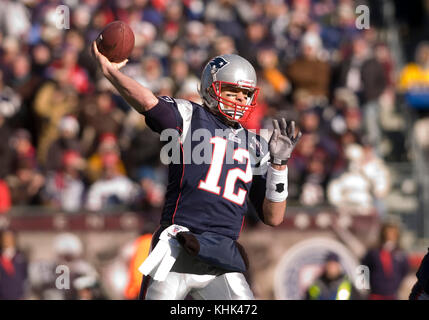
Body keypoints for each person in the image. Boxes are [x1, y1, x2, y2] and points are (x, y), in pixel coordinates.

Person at [92, 41, 302, 300]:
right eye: (232, 90)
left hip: (221, 255)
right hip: (177, 246)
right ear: (210, 89)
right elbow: (147, 102)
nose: (240, 98)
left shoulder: (258, 144)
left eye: (245, 94)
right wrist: (112, 73)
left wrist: (279, 166)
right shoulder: (191, 116)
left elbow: (273, 217)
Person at [361, 221, 409, 299]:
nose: (389, 235)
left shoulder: (400, 253)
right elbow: (363, 268)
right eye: (387, 232)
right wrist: (364, 287)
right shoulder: (373, 252)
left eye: (393, 233)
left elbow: (404, 270)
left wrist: (397, 284)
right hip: (375, 294)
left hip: (392, 294)